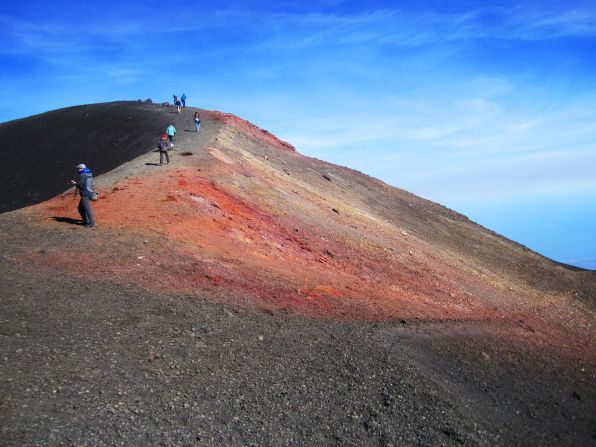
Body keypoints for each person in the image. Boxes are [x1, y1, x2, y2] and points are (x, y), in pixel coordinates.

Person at [70, 163, 96, 228]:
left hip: (85, 194)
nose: (78, 170)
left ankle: (91, 223)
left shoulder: (83, 175)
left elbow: (80, 185)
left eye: (79, 169)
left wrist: (75, 183)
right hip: (89, 192)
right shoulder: (89, 174)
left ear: (82, 169)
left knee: (87, 209)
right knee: (80, 208)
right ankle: (85, 220)